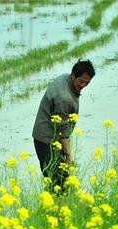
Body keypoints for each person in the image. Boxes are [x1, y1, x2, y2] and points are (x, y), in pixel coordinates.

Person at [32, 59, 95, 191]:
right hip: (47, 141)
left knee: (58, 179)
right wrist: (69, 156)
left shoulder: (65, 79)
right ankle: (55, 206)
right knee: (58, 183)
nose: (83, 85)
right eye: (81, 81)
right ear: (73, 75)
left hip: (48, 136)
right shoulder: (64, 98)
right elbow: (63, 131)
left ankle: (56, 205)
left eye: (87, 82)